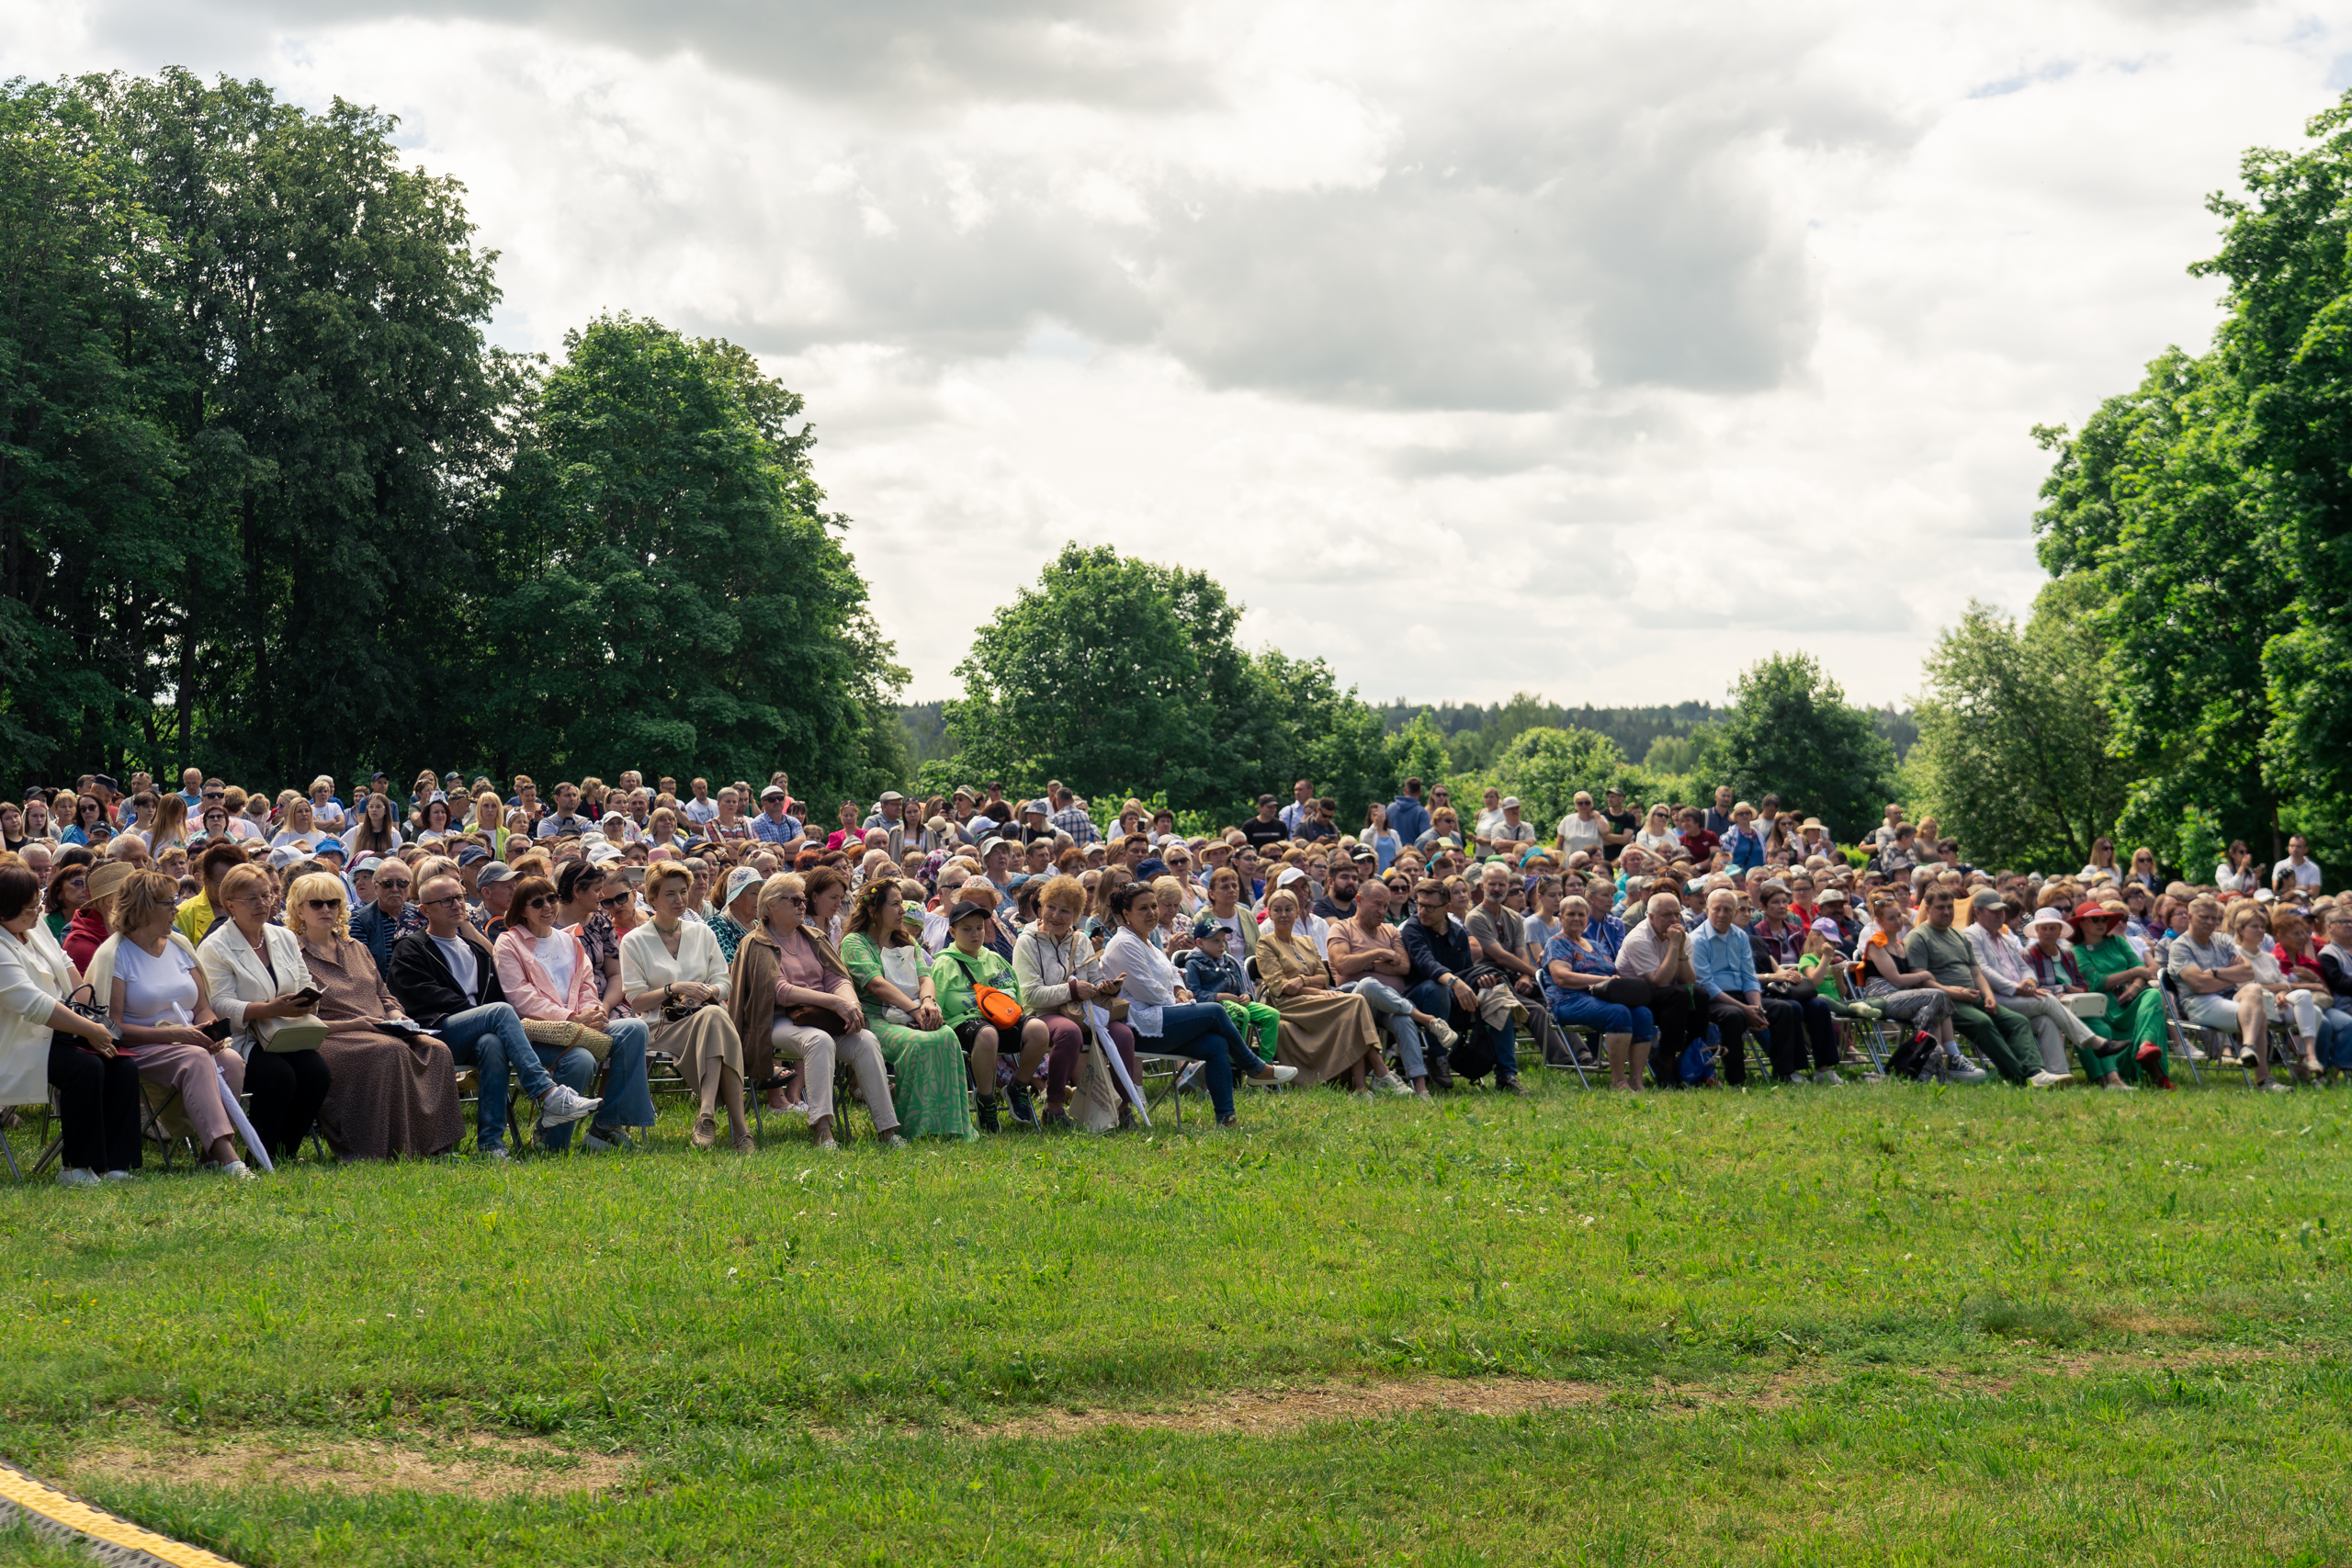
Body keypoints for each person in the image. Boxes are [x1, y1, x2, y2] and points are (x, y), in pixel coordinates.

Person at [389, 873, 603, 1158]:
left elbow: (496, 997)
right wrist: (481, 1015)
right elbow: (419, 996)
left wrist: (485, 1018)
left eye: (461, 897)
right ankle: (547, 1094)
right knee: (499, 1013)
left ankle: (492, 1144)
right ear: (425, 910)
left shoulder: (476, 948)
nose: (457, 905)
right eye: (446, 900)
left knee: (497, 1044)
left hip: (484, 1033)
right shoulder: (412, 948)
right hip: (437, 1032)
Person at [279, 870, 465, 1158]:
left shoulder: (357, 948)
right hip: (334, 1035)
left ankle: (436, 1146)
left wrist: (396, 1014)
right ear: (299, 910)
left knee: (437, 1050)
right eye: (317, 904)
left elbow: (384, 993)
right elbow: (299, 1015)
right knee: (388, 1052)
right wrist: (360, 1023)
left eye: (333, 903)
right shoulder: (291, 954)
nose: (326, 909)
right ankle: (383, 1148)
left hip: (381, 1028)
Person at [91, 870, 255, 1178]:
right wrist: (180, 1035)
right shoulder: (116, 955)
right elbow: (113, 1027)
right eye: (169, 903)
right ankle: (230, 1158)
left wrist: (210, 1030)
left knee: (231, 1061)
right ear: (143, 907)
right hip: (141, 1047)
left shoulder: (179, 944)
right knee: (194, 1059)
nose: (177, 909)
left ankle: (210, 1155)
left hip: (190, 1039)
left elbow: (203, 1007)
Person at [733, 872, 904, 1150]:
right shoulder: (755, 942)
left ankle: (887, 1129)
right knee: (819, 1041)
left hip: (822, 1017)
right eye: (795, 900)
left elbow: (837, 979)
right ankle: (822, 1130)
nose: (803, 905)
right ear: (771, 906)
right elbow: (780, 991)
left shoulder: (813, 936)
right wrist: (833, 1003)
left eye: (803, 899)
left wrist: (851, 1005)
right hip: (776, 1020)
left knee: (867, 1041)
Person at [1102, 883, 1286, 1127]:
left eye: (1153, 906)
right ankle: (1253, 1067)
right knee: (1215, 1011)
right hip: (1142, 1027)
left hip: (1165, 1019)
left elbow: (1174, 972)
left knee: (1217, 1044)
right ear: (1126, 914)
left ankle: (1226, 1118)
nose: (1151, 913)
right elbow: (1147, 991)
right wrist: (1182, 1001)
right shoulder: (1124, 943)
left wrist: (1180, 990)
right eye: (1143, 908)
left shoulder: (1146, 941)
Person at [0, 864, 137, 1186]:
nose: (37, 913)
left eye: (38, 904)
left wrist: (86, 1010)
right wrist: (89, 1029)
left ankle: (118, 1164)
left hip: (61, 1030)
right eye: (29, 908)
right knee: (84, 1067)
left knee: (121, 1065)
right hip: (20, 1043)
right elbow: (32, 1003)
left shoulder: (32, 927)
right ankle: (77, 1167)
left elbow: (65, 962)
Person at [621, 862, 751, 1150]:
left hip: (702, 1015)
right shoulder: (634, 941)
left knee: (714, 1015)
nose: (680, 899)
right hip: (659, 1025)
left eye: (683, 892)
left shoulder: (701, 932)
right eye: (670, 894)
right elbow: (636, 1000)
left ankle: (707, 1114)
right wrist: (673, 989)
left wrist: (706, 992)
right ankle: (739, 1129)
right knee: (717, 1020)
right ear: (652, 899)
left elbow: (723, 982)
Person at [839, 877, 971, 1140]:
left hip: (913, 1012)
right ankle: (915, 1127)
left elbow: (925, 977)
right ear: (874, 910)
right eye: (896, 904)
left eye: (902, 904)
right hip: (875, 1018)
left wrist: (929, 1003)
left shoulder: (907, 942)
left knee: (946, 1037)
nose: (903, 910)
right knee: (918, 1044)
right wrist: (915, 1010)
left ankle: (951, 1126)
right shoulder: (855, 943)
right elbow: (876, 985)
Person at [1012, 874, 1144, 1129]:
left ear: (1076, 915)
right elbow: (1030, 996)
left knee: (1124, 1034)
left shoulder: (1081, 940)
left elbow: (1094, 980)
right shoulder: (1025, 942)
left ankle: (1123, 1108)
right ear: (1041, 907)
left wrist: (1107, 988)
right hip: (1040, 1016)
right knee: (1069, 1033)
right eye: (1051, 907)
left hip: (1083, 1012)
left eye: (1066, 911)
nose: (1056, 915)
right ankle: (1054, 1107)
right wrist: (1072, 990)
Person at [1253, 887, 1392, 1093]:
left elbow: (1324, 978)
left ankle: (1361, 1088)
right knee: (1355, 1002)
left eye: (1289, 909)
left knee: (1351, 1010)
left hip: (1311, 1001)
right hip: (1287, 1004)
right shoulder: (1265, 943)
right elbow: (1280, 986)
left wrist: (1302, 981)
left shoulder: (1306, 942)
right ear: (1270, 914)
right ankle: (1382, 1071)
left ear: (1298, 911)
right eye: (1278, 910)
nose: (1283, 915)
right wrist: (1314, 988)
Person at [932, 896, 1052, 1131]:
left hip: (1002, 1017)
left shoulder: (995, 958)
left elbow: (1015, 993)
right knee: (987, 1035)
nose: (975, 934)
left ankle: (1017, 1087)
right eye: (967, 929)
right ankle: (986, 1101)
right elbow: (937, 1005)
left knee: (1038, 1029)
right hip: (965, 1022)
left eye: (979, 928)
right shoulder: (944, 963)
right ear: (953, 932)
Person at [1902, 886, 2041, 1086]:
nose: (1947, 912)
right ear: (1927, 909)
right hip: (1945, 1002)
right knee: (1982, 1023)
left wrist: (1989, 996)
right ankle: (2019, 1078)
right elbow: (1921, 979)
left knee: (2017, 1021)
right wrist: (1954, 992)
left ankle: (2036, 1071)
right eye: (1940, 907)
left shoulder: (1958, 935)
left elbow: (1976, 971)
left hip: (1975, 997)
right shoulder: (1918, 937)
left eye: (1950, 907)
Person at [1401, 876, 1524, 1093]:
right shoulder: (1412, 928)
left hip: (1455, 998)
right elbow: (1426, 963)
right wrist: (1455, 982)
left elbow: (1467, 972)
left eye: (1430, 907)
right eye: (1419, 905)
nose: (1422, 911)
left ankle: (1507, 1075)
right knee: (1436, 988)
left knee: (1498, 996)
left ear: (1447, 908)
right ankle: (1437, 1057)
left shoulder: (1457, 932)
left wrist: (1480, 983)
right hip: (1420, 999)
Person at [1963, 889, 2094, 1088]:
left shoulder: (2006, 938)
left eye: (2002, 910)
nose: (2000, 914)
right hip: (1994, 998)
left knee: (2046, 1021)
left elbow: (2025, 968)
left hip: (2018, 997)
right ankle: (2092, 1041)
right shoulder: (1971, 935)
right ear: (1977, 912)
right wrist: (2017, 988)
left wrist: (2030, 983)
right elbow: (1983, 971)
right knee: (2047, 999)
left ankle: (2057, 1074)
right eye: (1993, 911)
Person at [1545, 896, 1657, 1090]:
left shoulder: (1595, 945)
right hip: (1568, 1000)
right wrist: (1603, 980)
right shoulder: (1557, 942)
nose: (1576, 918)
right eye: (1570, 914)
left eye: (1581, 914)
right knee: (1618, 1012)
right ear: (1560, 918)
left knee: (1643, 1014)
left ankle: (1637, 1080)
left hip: (1600, 998)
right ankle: (1618, 1080)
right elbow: (1561, 977)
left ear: (1588, 918)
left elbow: (1614, 971)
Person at [2066, 901, 2172, 1089]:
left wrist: (2135, 987)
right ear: (2081, 924)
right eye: (2094, 919)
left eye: (2104, 919)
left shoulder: (2118, 941)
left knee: (2153, 995)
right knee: (2151, 996)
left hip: (2130, 999)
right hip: (2104, 1007)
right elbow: (2096, 982)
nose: (2101, 922)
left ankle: (2145, 1045)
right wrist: (2132, 974)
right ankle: (2157, 1075)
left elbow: (2143, 971)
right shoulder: (2077, 951)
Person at [1857, 895, 1960, 1074]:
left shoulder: (1900, 944)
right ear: (1880, 921)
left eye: (1899, 916)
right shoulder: (1875, 944)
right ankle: (1951, 1055)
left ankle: (1933, 1064)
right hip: (1883, 998)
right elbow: (1896, 979)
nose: (1897, 921)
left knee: (1932, 1008)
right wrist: (1924, 975)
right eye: (1891, 918)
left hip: (1904, 996)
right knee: (1938, 996)